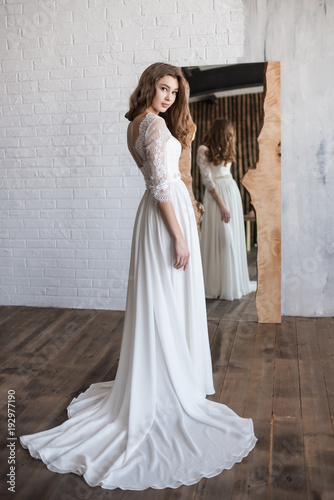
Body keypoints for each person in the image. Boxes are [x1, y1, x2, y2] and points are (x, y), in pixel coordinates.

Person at [20, 64, 256, 490]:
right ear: (150, 86)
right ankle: (167, 384)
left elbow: (161, 181)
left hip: (157, 217)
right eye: (163, 88)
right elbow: (164, 185)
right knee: (165, 299)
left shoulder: (140, 124)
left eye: (175, 90)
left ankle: (171, 373)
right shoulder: (150, 126)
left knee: (162, 300)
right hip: (165, 221)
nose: (169, 96)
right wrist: (180, 236)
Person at [197, 118, 257, 300]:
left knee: (231, 238)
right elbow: (207, 181)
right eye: (229, 133)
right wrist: (222, 205)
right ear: (222, 133)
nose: (232, 137)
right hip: (216, 197)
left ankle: (232, 282)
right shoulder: (203, 150)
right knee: (220, 237)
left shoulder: (224, 150)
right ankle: (216, 284)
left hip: (231, 192)